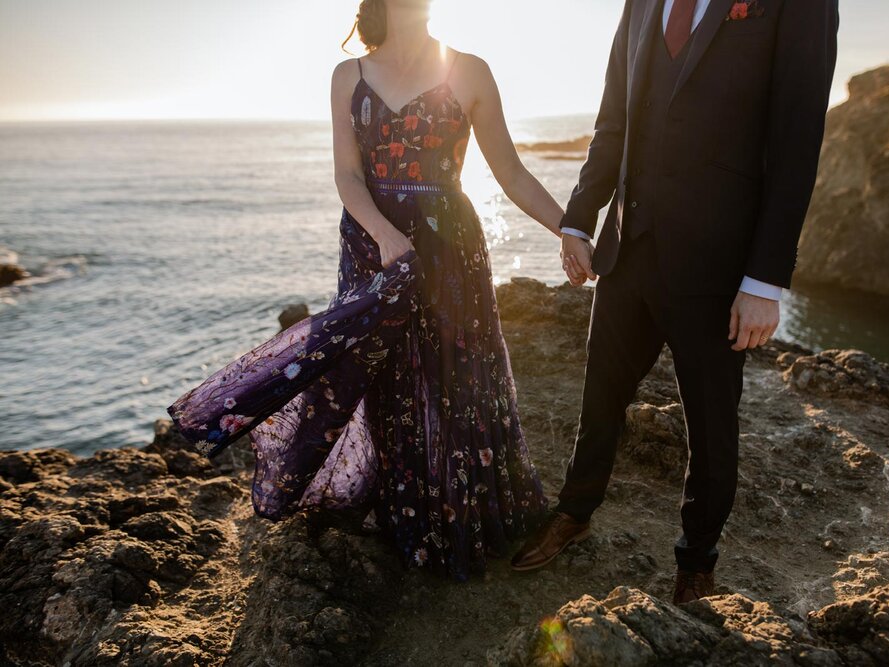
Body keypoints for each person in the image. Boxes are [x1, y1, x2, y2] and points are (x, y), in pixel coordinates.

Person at [167, 0, 568, 582]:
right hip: (370, 243)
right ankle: (402, 514)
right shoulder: (347, 76)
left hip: (449, 241)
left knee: (457, 374)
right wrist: (383, 234)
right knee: (378, 374)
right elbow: (348, 175)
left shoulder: (470, 69)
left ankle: (460, 514)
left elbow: (510, 173)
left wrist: (570, 231)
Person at [511, 0, 839, 605]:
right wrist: (579, 220)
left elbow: (797, 138)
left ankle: (696, 563)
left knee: (712, 428)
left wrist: (765, 282)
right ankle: (575, 512)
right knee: (600, 397)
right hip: (628, 250)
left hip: (719, 265)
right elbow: (615, 118)